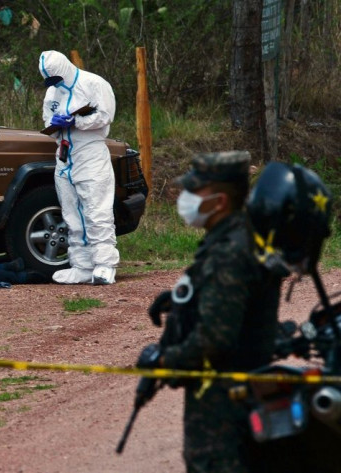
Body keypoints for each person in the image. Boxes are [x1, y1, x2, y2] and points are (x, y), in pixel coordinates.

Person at [136, 151, 283, 472]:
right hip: (238, 396)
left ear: (219, 202)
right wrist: (184, 301)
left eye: (195, 191)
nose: (185, 197)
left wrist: (163, 361)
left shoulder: (229, 252)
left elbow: (215, 338)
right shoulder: (240, 238)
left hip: (223, 409)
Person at [38, 50, 118, 285]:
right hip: (64, 156)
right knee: (72, 214)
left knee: (96, 210)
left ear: (63, 69)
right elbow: (46, 118)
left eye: (55, 78)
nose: (53, 84)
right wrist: (53, 124)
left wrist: (78, 121)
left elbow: (105, 115)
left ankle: (105, 264)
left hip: (90, 153)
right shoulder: (52, 91)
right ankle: (81, 265)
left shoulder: (93, 83)